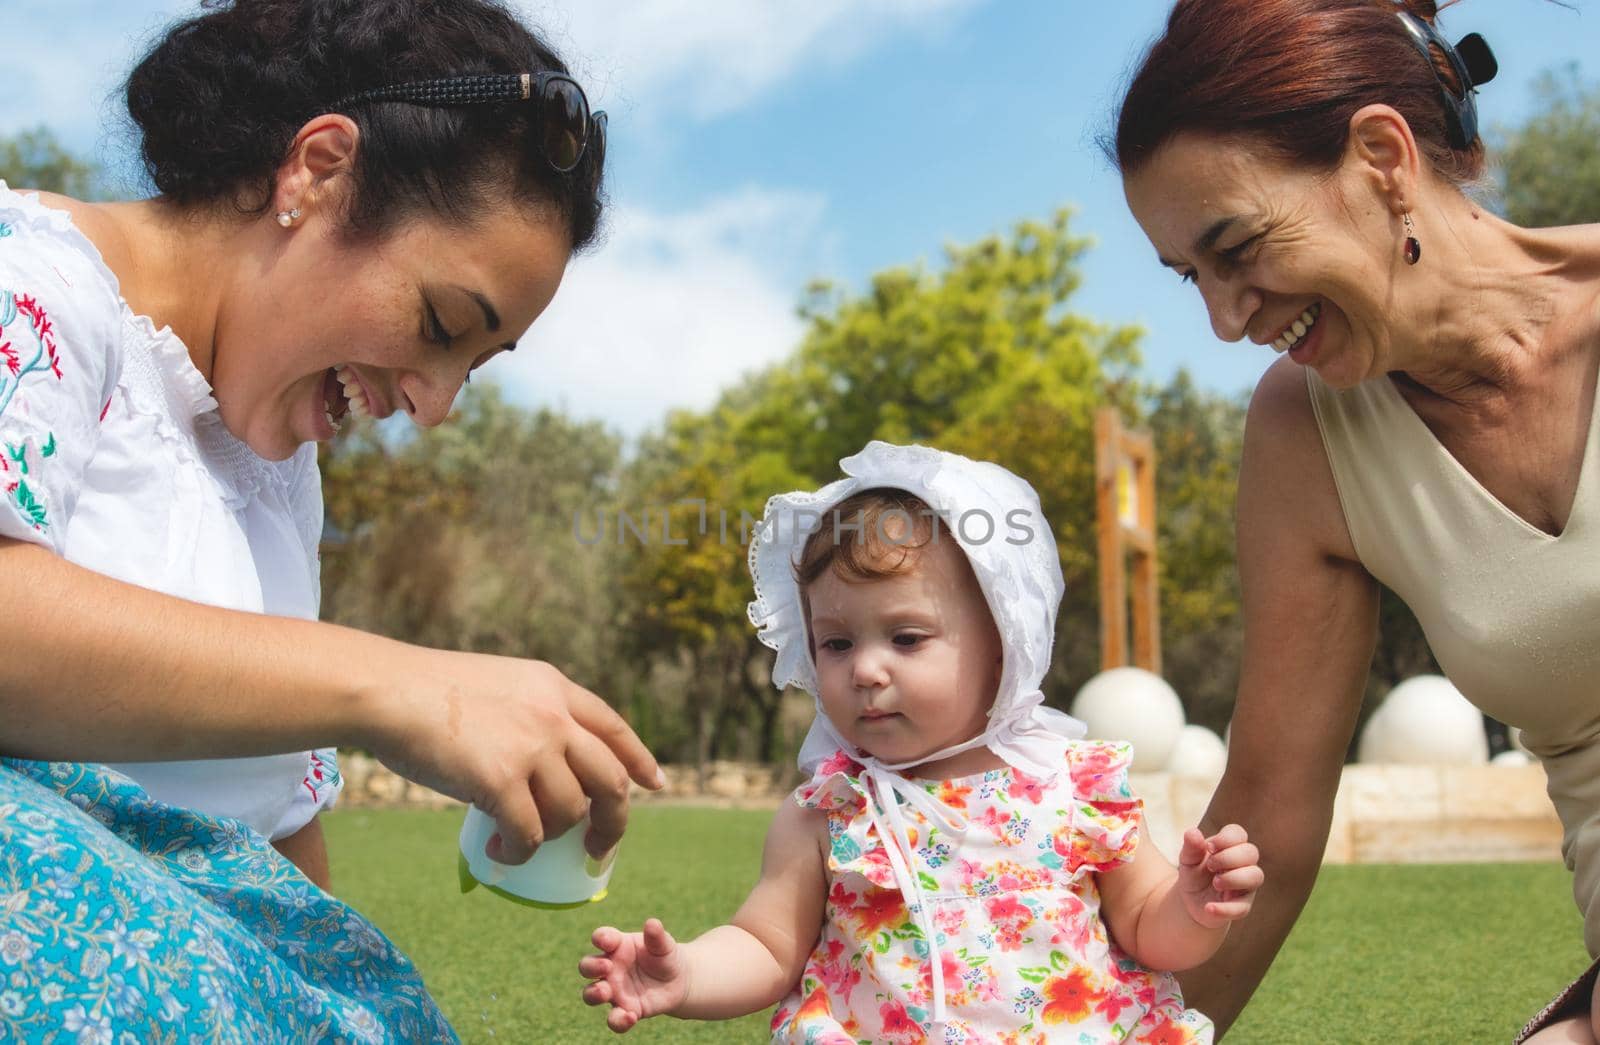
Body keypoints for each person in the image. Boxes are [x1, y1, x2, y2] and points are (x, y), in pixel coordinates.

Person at [0, 0, 662, 1038]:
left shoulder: (276, 464)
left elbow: (278, 825)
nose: (433, 405)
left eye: (473, 370)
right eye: (442, 324)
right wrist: (400, 685)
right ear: (317, 170)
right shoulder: (28, 282)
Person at [1112, 0, 1600, 1040]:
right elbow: (1269, 828)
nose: (1224, 317)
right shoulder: (1306, 437)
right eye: (1190, 276)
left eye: (1235, 247)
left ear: (1382, 156)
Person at [578, 441, 1263, 1041]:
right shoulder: (829, 809)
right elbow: (766, 943)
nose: (866, 669)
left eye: (906, 638)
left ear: (1003, 644)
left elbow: (1148, 924)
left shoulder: (1075, 784)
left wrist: (1194, 906)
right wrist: (688, 971)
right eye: (836, 643)